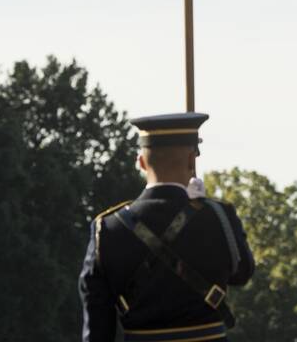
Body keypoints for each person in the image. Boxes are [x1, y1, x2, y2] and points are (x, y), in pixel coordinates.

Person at [79, 112, 255, 342]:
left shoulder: (108, 229)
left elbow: (97, 327)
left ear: (141, 162)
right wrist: (205, 209)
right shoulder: (219, 217)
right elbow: (242, 274)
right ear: (192, 161)